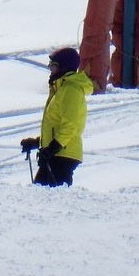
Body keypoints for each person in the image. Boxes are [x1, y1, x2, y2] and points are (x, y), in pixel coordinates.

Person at [19, 47, 93, 187]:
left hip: (63, 155)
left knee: (48, 198)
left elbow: (70, 126)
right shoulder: (60, 89)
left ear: (63, 67)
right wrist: (38, 143)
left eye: (53, 65)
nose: (49, 68)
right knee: (43, 196)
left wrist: (51, 148)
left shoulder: (70, 90)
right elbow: (56, 127)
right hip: (58, 154)